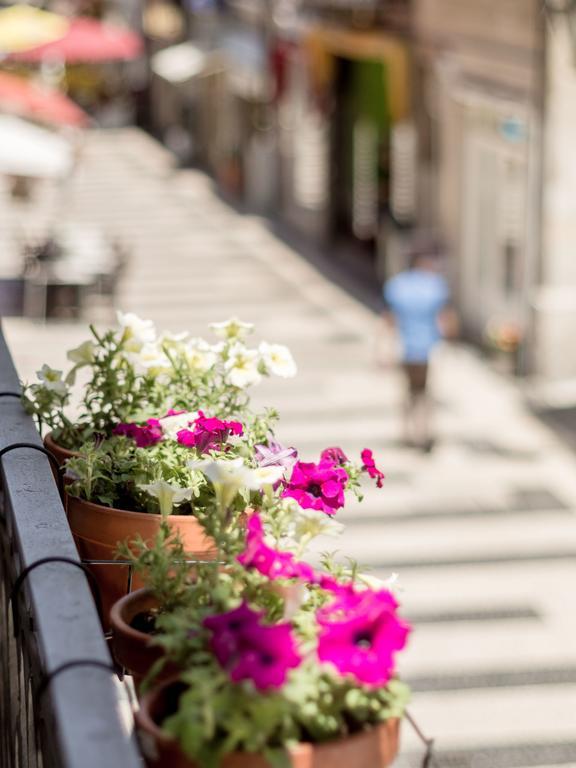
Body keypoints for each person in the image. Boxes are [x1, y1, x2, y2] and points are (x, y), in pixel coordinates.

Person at [383, 245, 456, 452]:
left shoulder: (397, 285)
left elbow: (390, 318)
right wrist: (450, 340)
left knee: (407, 391)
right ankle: (424, 432)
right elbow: (445, 317)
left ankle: (407, 432)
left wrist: (383, 348)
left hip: (404, 345)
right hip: (430, 346)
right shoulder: (436, 285)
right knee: (427, 392)